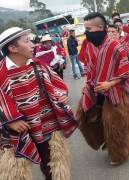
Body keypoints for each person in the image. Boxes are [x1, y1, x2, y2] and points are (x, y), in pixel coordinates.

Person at [0, 27, 78, 180]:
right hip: (17, 131)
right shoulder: (1, 73)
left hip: (46, 124)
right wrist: (9, 121)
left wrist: (61, 95)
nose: (33, 45)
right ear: (12, 48)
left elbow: (56, 82)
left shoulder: (38, 64)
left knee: (53, 166)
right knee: (15, 172)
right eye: (27, 41)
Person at [77, 12, 129, 165]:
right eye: (85, 29)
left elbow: (125, 71)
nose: (86, 32)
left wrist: (110, 84)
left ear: (101, 28)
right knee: (87, 118)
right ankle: (104, 141)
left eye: (89, 29)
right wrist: (86, 84)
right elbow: (88, 69)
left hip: (114, 92)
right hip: (95, 90)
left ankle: (119, 154)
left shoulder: (115, 46)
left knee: (114, 125)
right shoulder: (88, 46)